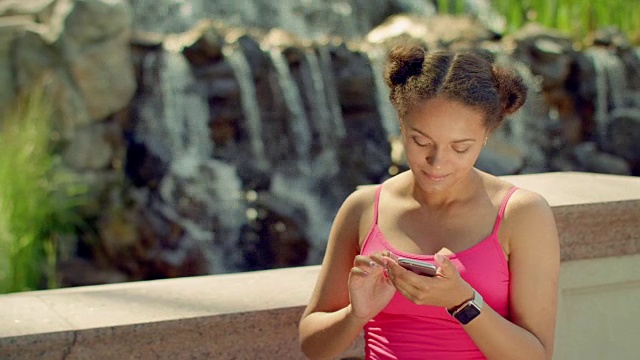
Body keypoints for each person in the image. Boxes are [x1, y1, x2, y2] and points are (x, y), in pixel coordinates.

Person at [298, 44, 560, 360]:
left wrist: (462, 301)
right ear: (400, 124)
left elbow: (537, 356)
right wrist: (357, 313)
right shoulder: (363, 208)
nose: (437, 162)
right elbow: (314, 347)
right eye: (421, 141)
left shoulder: (522, 214)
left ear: (487, 134)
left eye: (460, 148)